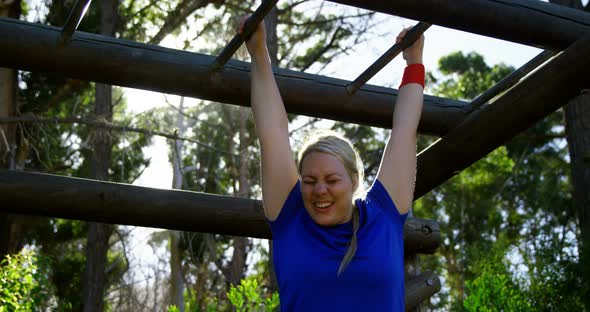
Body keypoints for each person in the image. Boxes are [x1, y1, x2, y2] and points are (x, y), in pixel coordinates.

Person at [239, 16, 424, 312]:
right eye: (309, 181)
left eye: (332, 180)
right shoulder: (290, 218)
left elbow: (405, 129)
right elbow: (271, 132)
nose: (319, 189)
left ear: (354, 180)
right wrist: (259, 52)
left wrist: (414, 61)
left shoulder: (383, 216)